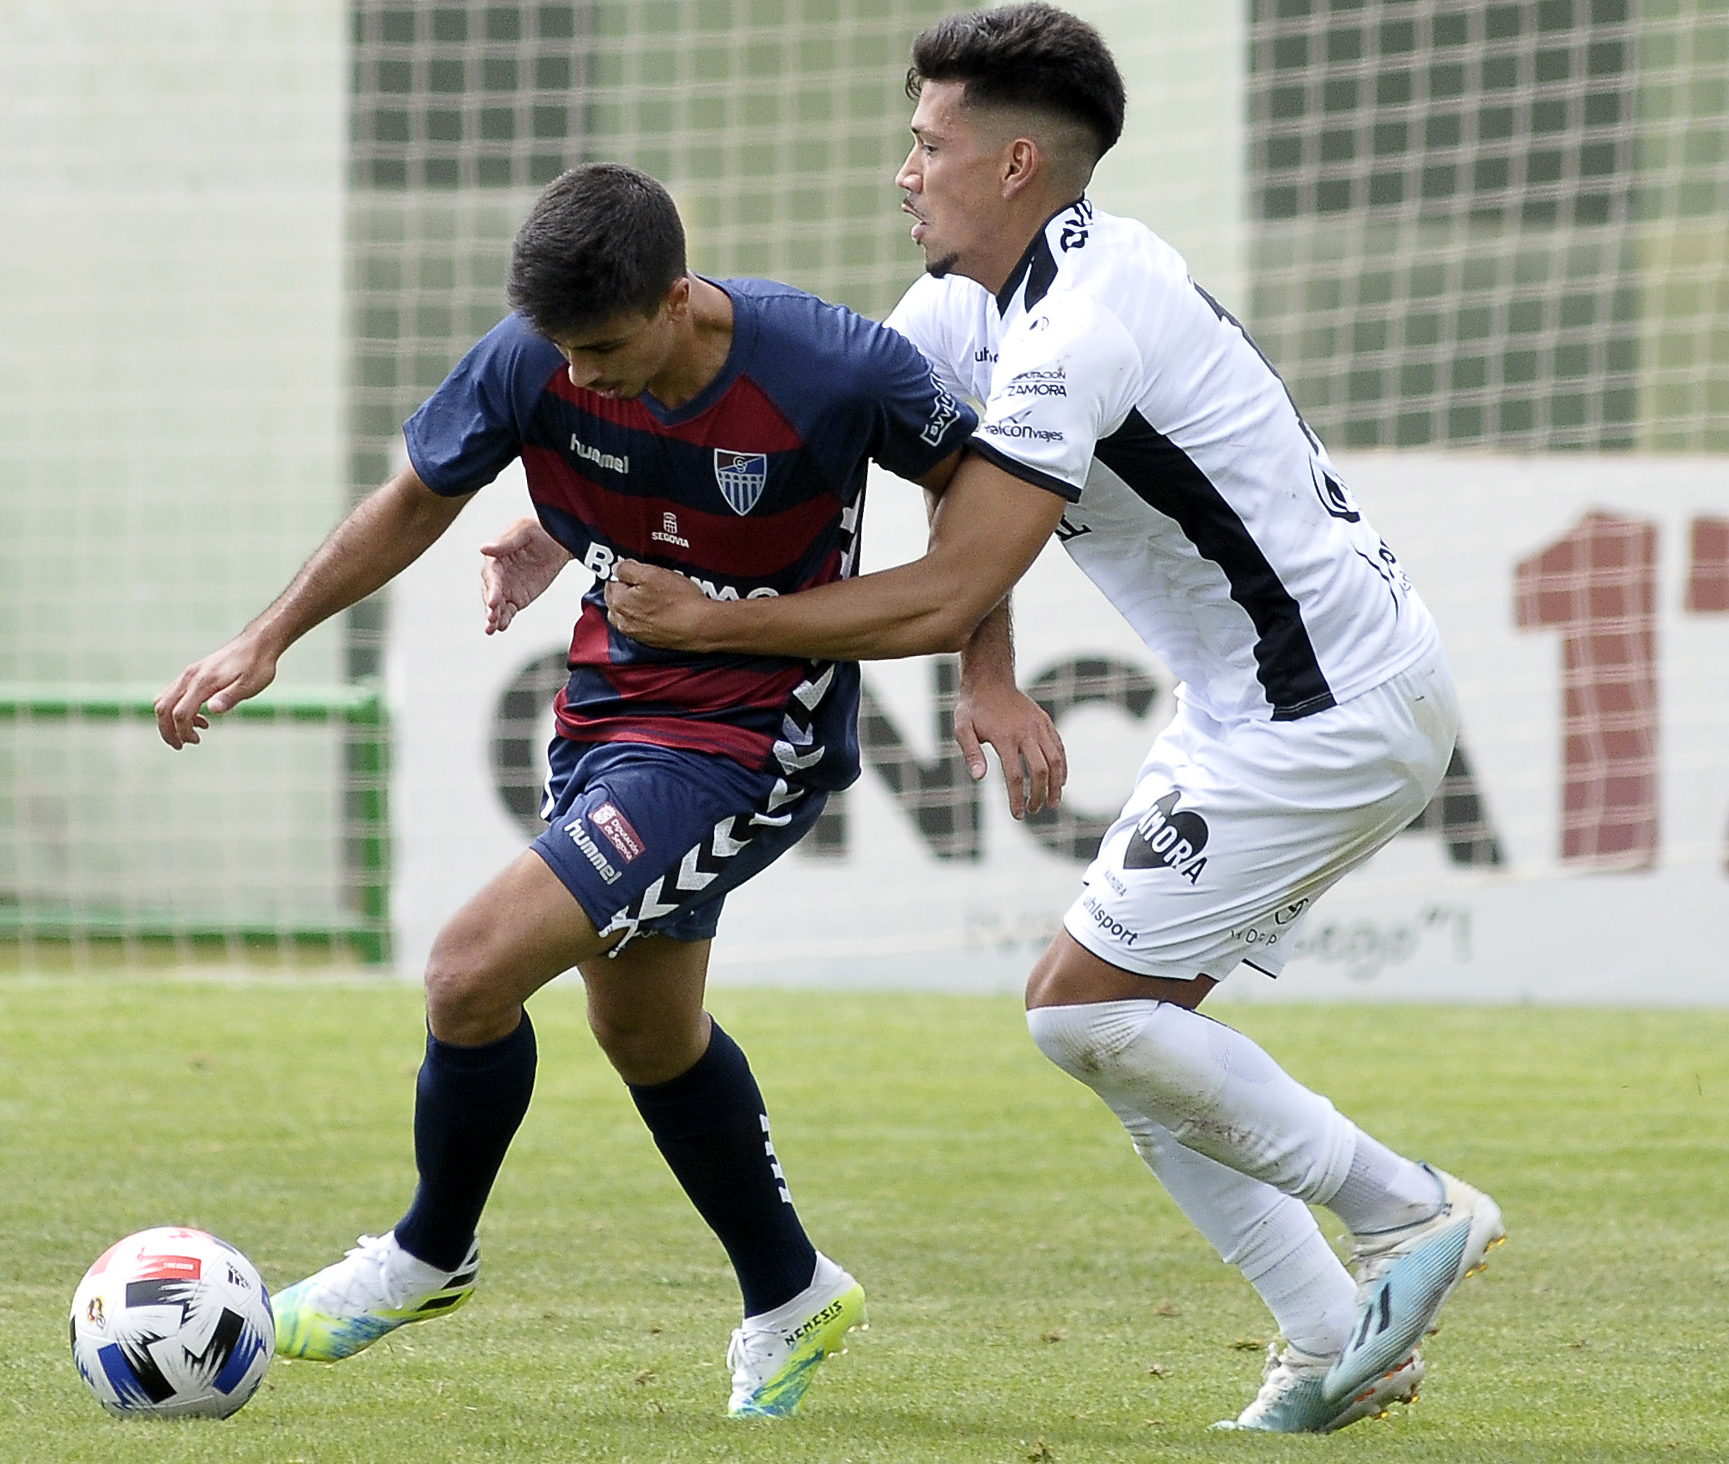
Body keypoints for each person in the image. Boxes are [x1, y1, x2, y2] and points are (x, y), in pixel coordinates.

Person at [590, 2, 1505, 1434]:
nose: (903, 171)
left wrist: (713, 625)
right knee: (1127, 1030)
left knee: (1080, 1012)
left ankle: (1406, 1209)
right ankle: (1337, 1338)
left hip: (1326, 708)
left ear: (1016, 163)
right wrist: (985, 675)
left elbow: (954, 577)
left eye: (928, 144)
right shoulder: (967, 304)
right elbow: (885, 451)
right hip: (1259, 705)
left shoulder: (1086, 321)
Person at [152, 161, 981, 1417]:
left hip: (747, 745)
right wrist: (269, 636)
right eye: (564, 353)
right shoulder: (535, 358)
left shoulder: (833, 368)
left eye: (604, 350)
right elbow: (417, 498)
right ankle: (792, 1289)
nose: (580, 377)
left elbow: (983, 509)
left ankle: (429, 1253)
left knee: (468, 971)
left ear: (677, 299)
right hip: (605, 712)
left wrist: (994, 676)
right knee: (644, 1031)